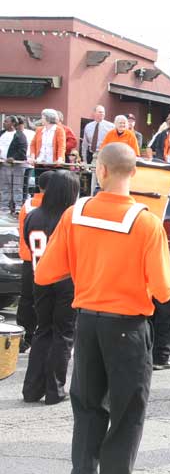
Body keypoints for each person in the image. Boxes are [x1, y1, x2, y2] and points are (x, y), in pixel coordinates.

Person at [35, 143, 170, 474]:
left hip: (88, 325)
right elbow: (164, 289)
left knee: (88, 411)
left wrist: (88, 266)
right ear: (134, 172)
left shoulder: (74, 214)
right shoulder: (146, 223)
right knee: (125, 416)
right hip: (128, 329)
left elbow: (44, 274)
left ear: (101, 171)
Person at [22, 170, 80, 405]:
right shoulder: (70, 218)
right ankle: (55, 389)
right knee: (63, 334)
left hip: (40, 279)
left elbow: (27, 242)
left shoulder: (32, 215)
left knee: (42, 331)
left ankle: (31, 388)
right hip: (65, 281)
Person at [16, 171, 53, 353]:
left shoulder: (28, 204)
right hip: (47, 261)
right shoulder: (56, 206)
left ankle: (24, 338)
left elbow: (21, 229)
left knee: (26, 299)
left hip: (28, 258)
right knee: (46, 300)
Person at [0, 115, 29, 214]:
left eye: (6, 121)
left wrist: (14, 158)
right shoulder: (1, 134)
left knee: (17, 187)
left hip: (16, 165)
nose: (4, 123)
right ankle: (4, 208)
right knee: (4, 187)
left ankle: (18, 208)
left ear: (13, 123)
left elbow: (22, 150)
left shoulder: (19, 135)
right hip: (3, 164)